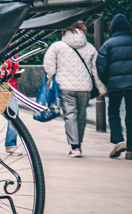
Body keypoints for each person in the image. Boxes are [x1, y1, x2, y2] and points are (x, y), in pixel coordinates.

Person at [43, 21, 105, 158]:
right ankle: (79, 144)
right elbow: (96, 70)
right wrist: (101, 87)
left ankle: (74, 147)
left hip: (65, 86)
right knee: (81, 115)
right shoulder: (90, 48)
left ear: (64, 31)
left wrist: (49, 81)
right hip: (85, 87)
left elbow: (49, 66)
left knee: (70, 115)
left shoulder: (57, 46)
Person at [95, 14, 132, 160]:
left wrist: (108, 82)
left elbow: (100, 67)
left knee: (114, 112)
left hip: (114, 86)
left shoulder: (108, 45)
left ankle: (119, 141)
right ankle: (131, 150)